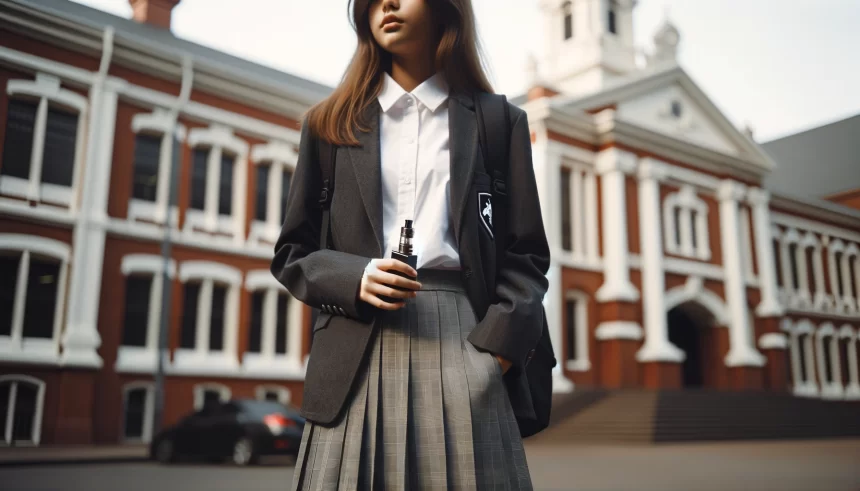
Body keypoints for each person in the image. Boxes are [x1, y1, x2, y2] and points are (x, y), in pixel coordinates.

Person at [271, 0, 550, 488]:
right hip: (354, 348)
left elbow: (526, 256)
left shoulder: (498, 122)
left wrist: (492, 360)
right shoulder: (328, 124)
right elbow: (292, 254)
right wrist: (353, 277)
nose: (388, 4)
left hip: (466, 340)